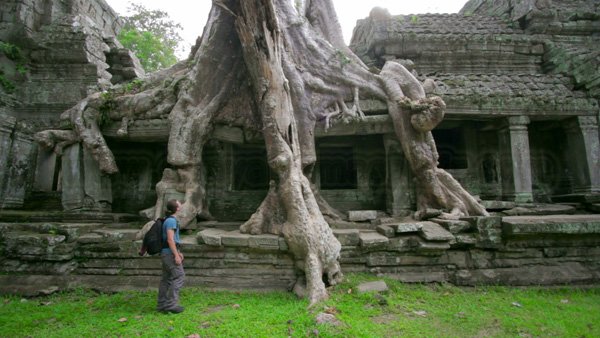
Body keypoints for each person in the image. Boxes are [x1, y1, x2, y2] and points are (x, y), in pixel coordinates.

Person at [157, 199, 185, 314]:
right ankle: (171, 305)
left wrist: (178, 252)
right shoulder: (171, 221)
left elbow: (172, 240)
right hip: (169, 254)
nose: (181, 205)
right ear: (177, 208)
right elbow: (170, 239)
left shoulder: (168, 220)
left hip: (166, 252)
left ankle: (162, 304)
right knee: (179, 276)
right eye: (179, 204)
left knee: (166, 279)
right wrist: (176, 255)